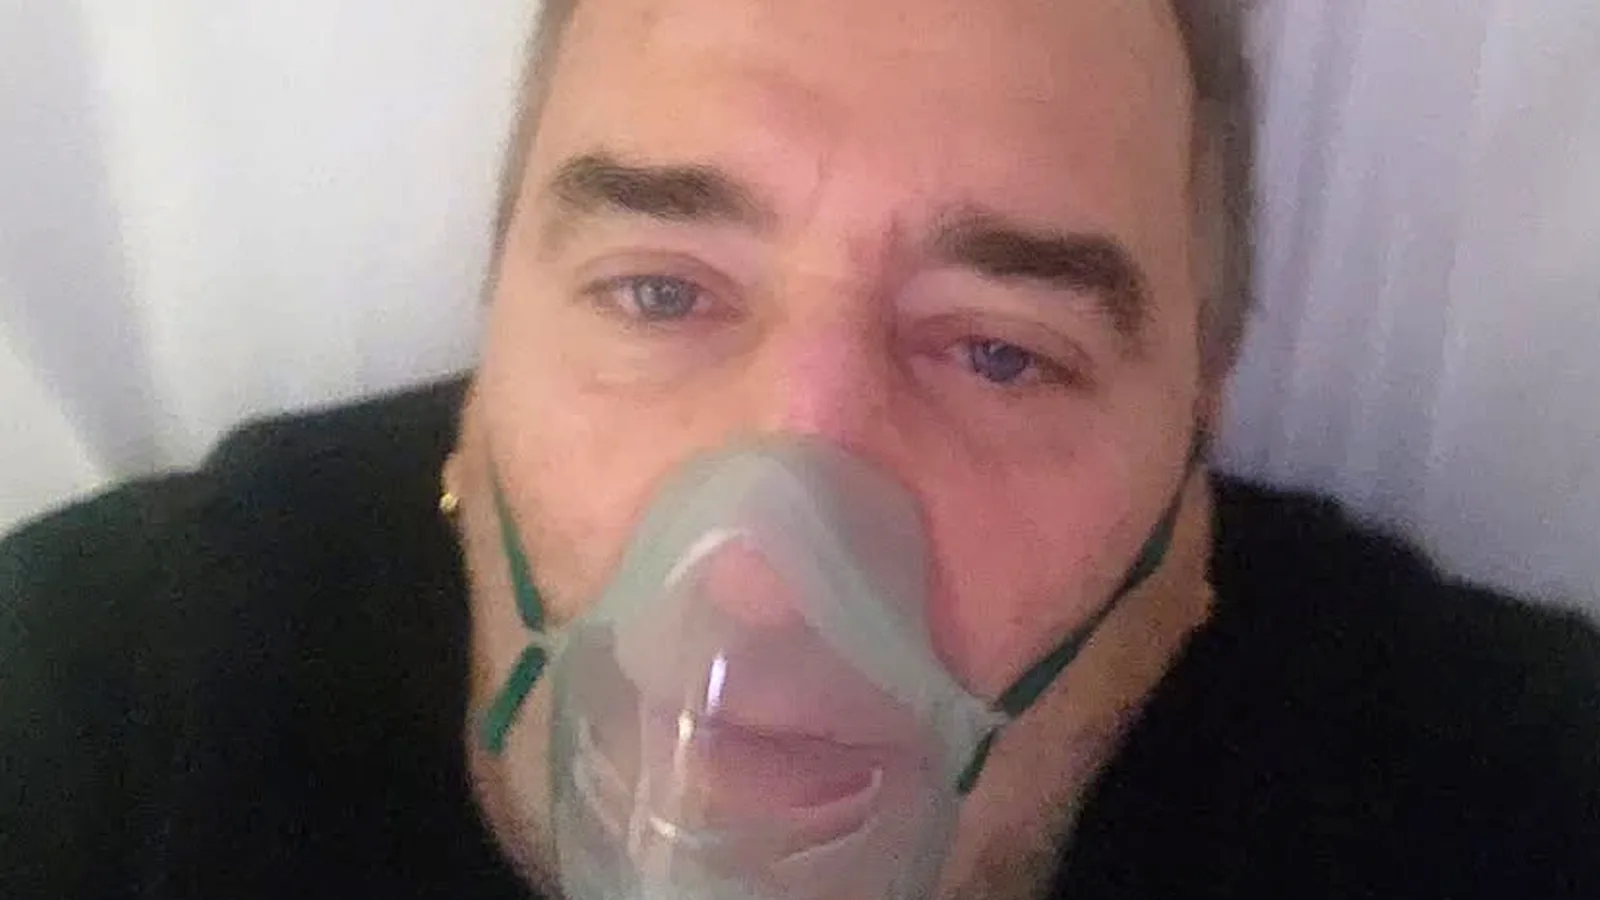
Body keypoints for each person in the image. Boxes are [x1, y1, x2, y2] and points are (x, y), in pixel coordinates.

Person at [3, 0, 1598, 897]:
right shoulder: (108, 714)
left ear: (1196, 444)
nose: (762, 582)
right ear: (490, 341)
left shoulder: (1491, 805)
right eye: (659, 291)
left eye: (1000, 350)